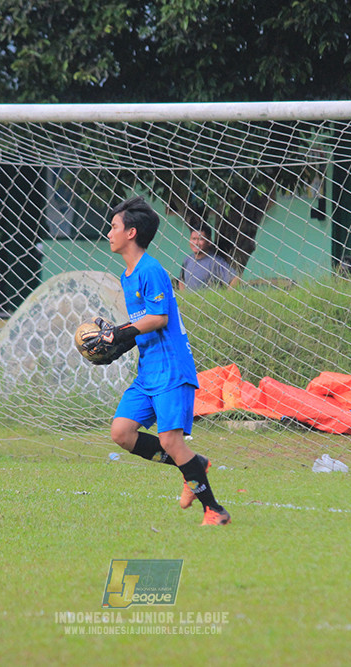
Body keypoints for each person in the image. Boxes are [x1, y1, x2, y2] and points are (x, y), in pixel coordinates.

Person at [86, 196, 231, 526]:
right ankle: (193, 464)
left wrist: (117, 334)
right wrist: (116, 349)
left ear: (131, 233)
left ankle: (214, 509)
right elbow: (141, 324)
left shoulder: (152, 270)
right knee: (122, 433)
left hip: (170, 369)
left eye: (114, 227)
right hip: (148, 369)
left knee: (169, 440)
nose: (109, 233)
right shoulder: (128, 275)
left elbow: (159, 317)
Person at [178, 222, 238, 290]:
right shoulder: (187, 260)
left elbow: (235, 279)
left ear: (209, 241)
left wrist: (227, 297)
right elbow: (181, 281)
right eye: (194, 239)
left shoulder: (215, 262)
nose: (196, 243)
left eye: (201, 239)